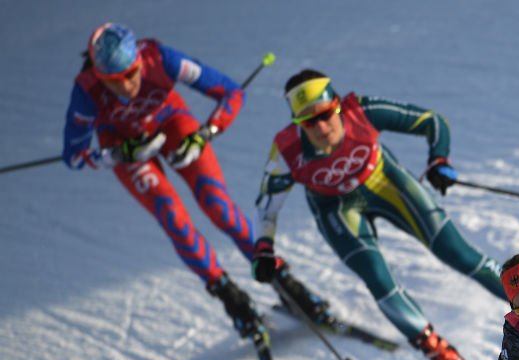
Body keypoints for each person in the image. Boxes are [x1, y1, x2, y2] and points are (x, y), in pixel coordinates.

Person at [62, 23, 332, 340]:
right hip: (127, 147)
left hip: (172, 124)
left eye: (131, 73)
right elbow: (74, 156)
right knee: (171, 216)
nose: (126, 85)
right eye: (114, 80)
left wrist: (205, 135)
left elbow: (231, 92)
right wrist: (119, 154)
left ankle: (285, 282)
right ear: (99, 75)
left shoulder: (161, 59)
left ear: (138, 60)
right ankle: (230, 297)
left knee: (217, 205)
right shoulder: (87, 90)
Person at [253, 69, 506, 360]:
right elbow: (266, 206)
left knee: (458, 254)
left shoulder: (362, 112)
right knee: (378, 279)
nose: (320, 127)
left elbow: (433, 122)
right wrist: (263, 248)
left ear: (337, 107)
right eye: (307, 122)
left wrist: (439, 158)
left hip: (385, 182)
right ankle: (441, 355)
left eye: (326, 115)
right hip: (337, 209)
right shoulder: (287, 150)